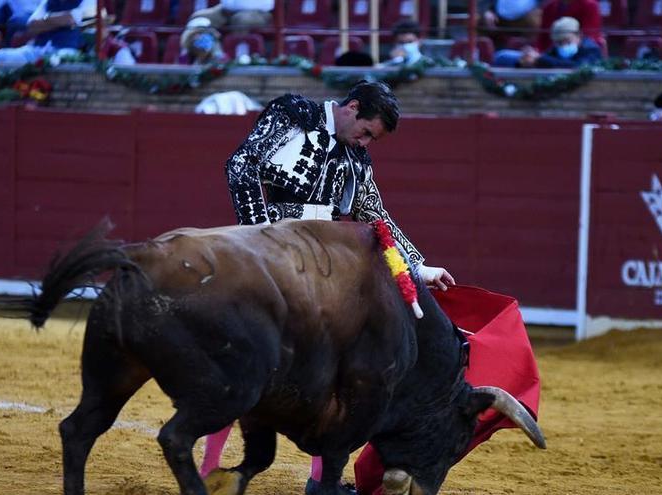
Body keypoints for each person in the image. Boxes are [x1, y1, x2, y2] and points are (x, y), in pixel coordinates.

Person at [220, 81, 456, 495]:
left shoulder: (358, 159)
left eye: (372, 139)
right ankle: (211, 466)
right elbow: (241, 166)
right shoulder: (293, 114)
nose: (366, 142)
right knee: (244, 358)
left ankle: (320, 482)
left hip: (323, 271)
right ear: (350, 108)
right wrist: (258, 240)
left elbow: (375, 216)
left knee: (339, 371)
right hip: (271, 253)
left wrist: (418, 266)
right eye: (366, 132)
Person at [0, 0, 95, 64]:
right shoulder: (48, 1)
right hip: (39, 49)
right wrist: (57, 21)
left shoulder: (89, 1)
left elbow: (70, 19)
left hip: (67, 49)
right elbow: (31, 26)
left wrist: (44, 21)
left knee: (57, 61)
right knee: (2, 55)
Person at [494, 16, 602, 67]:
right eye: (559, 42)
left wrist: (540, 59)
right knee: (503, 57)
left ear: (579, 35)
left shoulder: (592, 50)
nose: (563, 45)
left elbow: (577, 67)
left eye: (567, 40)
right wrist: (525, 61)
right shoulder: (556, 49)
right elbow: (545, 59)